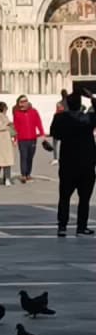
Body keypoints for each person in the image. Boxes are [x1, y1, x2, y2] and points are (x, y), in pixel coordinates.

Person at [51, 91, 96, 237]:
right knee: (84, 198)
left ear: (68, 105)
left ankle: (62, 226)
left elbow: (55, 134)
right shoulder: (89, 118)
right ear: (80, 104)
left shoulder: (60, 118)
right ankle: (81, 227)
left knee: (64, 197)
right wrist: (92, 97)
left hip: (68, 163)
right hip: (86, 163)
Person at [13, 95, 44, 182]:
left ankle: (28, 174)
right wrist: (15, 139)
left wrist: (42, 134)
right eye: (21, 102)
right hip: (22, 140)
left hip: (32, 139)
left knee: (30, 157)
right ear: (19, 103)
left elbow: (38, 123)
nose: (23, 103)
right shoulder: (17, 113)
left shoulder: (34, 112)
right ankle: (23, 175)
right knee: (24, 157)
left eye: (25, 101)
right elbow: (15, 127)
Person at [0, 102, 15, 186]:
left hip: (6, 142)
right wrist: (6, 126)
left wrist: (11, 127)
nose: (6, 110)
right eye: (5, 108)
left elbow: (9, 127)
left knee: (7, 161)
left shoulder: (5, 116)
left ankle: (7, 178)